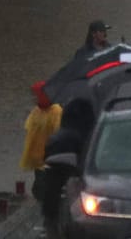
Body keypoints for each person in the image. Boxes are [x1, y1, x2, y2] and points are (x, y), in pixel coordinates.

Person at [37, 98, 95, 231]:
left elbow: (45, 156)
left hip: (54, 159)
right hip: (73, 161)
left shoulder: (65, 115)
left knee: (52, 189)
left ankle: (49, 218)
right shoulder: (87, 114)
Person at [19, 82, 62, 194]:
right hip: (37, 157)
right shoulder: (36, 110)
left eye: (35, 95)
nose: (33, 98)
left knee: (42, 187)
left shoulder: (56, 111)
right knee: (38, 187)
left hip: (49, 156)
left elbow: (57, 132)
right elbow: (28, 127)